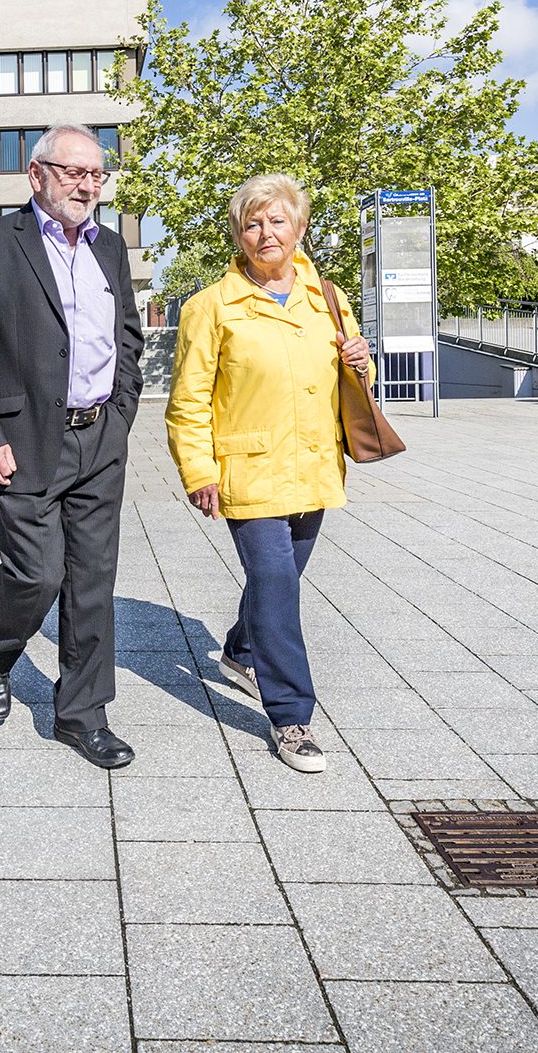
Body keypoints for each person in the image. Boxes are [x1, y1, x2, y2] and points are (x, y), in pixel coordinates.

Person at [0, 122, 145, 769]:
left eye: (96, 174)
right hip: (25, 442)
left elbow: (128, 339)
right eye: (73, 171)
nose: (87, 184)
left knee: (92, 582)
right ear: (37, 175)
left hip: (98, 439)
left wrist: (120, 415)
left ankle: (81, 713)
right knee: (37, 573)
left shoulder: (109, 248)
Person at [164, 174, 373, 773]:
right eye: (253, 223)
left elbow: (354, 386)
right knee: (278, 583)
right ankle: (291, 717)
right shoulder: (209, 308)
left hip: (313, 466)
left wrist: (363, 363)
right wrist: (198, 471)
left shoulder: (327, 298)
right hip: (248, 470)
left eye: (278, 221)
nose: (266, 233)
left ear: (300, 228)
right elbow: (188, 401)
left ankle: (239, 648)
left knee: (276, 583)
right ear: (239, 234)